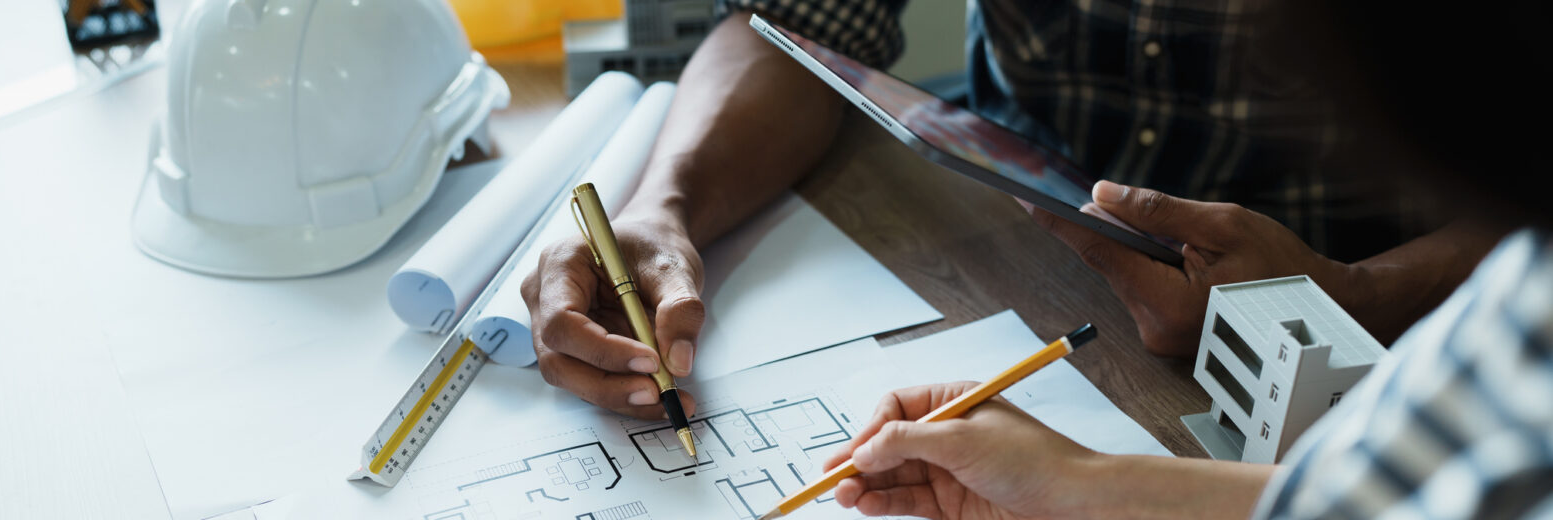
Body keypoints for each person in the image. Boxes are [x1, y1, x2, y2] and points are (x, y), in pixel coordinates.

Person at [519, 0, 1502, 419]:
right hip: (999, 251)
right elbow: (801, 25)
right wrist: (665, 205)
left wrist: (1360, 295)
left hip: (1420, 317)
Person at [825, 1, 1553, 517]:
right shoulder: (1512, 322)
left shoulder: (1521, 304)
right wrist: (1083, 485)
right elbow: (1357, 495)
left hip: (1364, 307)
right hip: (1016, 246)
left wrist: (1357, 291)